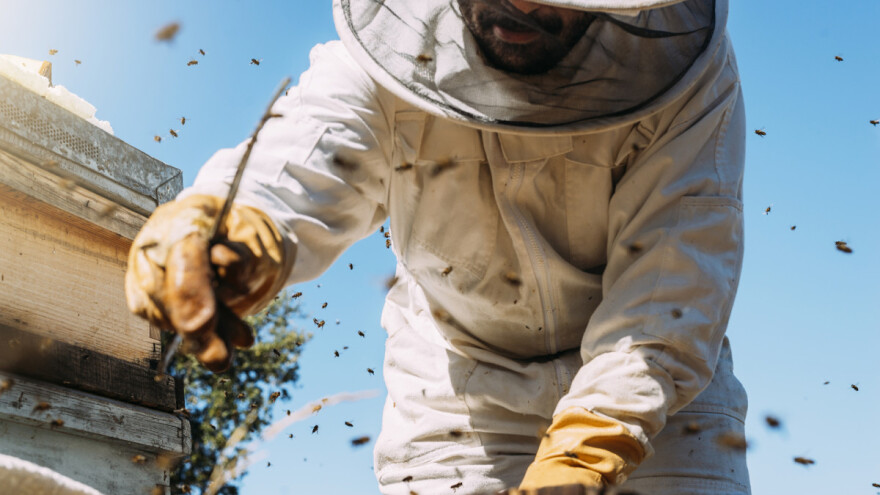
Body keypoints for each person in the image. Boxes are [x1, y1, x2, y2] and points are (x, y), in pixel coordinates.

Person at [125, 0, 750, 493]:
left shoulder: (687, 84)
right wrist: (233, 228)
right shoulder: (376, 68)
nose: (523, 4)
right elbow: (303, 156)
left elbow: (670, 284)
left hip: (661, 404)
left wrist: (586, 450)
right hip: (458, 400)